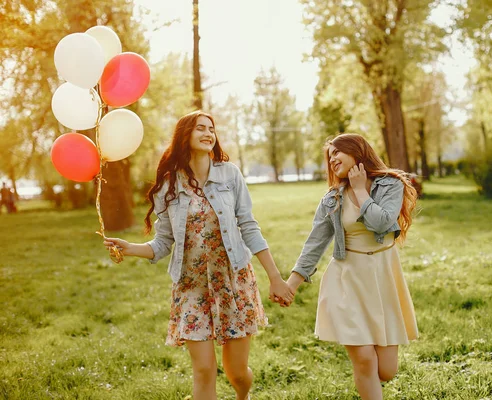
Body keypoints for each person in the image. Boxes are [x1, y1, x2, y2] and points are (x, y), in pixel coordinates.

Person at [104, 110, 293, 400]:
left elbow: (249, 227)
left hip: (234, 283)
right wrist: (130, 249)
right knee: (204, 370)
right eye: (200, 128)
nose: (208, 133)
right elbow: (163, 241)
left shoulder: (230, 174)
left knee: (237, 373)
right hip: (192, 287)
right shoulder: (169, 184)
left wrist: (275, 278)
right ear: (185, 136)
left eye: (211, 129)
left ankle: (244, 395)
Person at [284, 133, 419, 400]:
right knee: (365, 361)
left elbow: (382, 223)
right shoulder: (332, 199)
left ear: (357, 151)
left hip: (383, 280)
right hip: (346, 281)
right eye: (329, 155)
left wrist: (360, 189)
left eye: (337, 152)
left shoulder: (390, 186)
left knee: (387, 371)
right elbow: (315, 244)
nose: (332, 158)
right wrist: (290, 285)